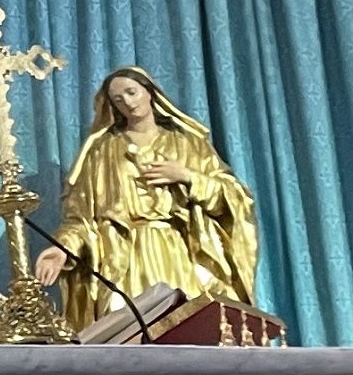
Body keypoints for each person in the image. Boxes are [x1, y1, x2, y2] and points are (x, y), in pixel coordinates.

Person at [33, 66, 261, 322]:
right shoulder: (101, 151)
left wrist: (187, 176)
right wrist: (62, 249)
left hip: (177, 253)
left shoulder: (187, 143)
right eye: (118, 100)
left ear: (150, 92)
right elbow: (81, 217)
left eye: (132, 92)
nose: (128, 103)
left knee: (188, 328)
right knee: (129, 333)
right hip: (124, 259)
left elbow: (235, 197)